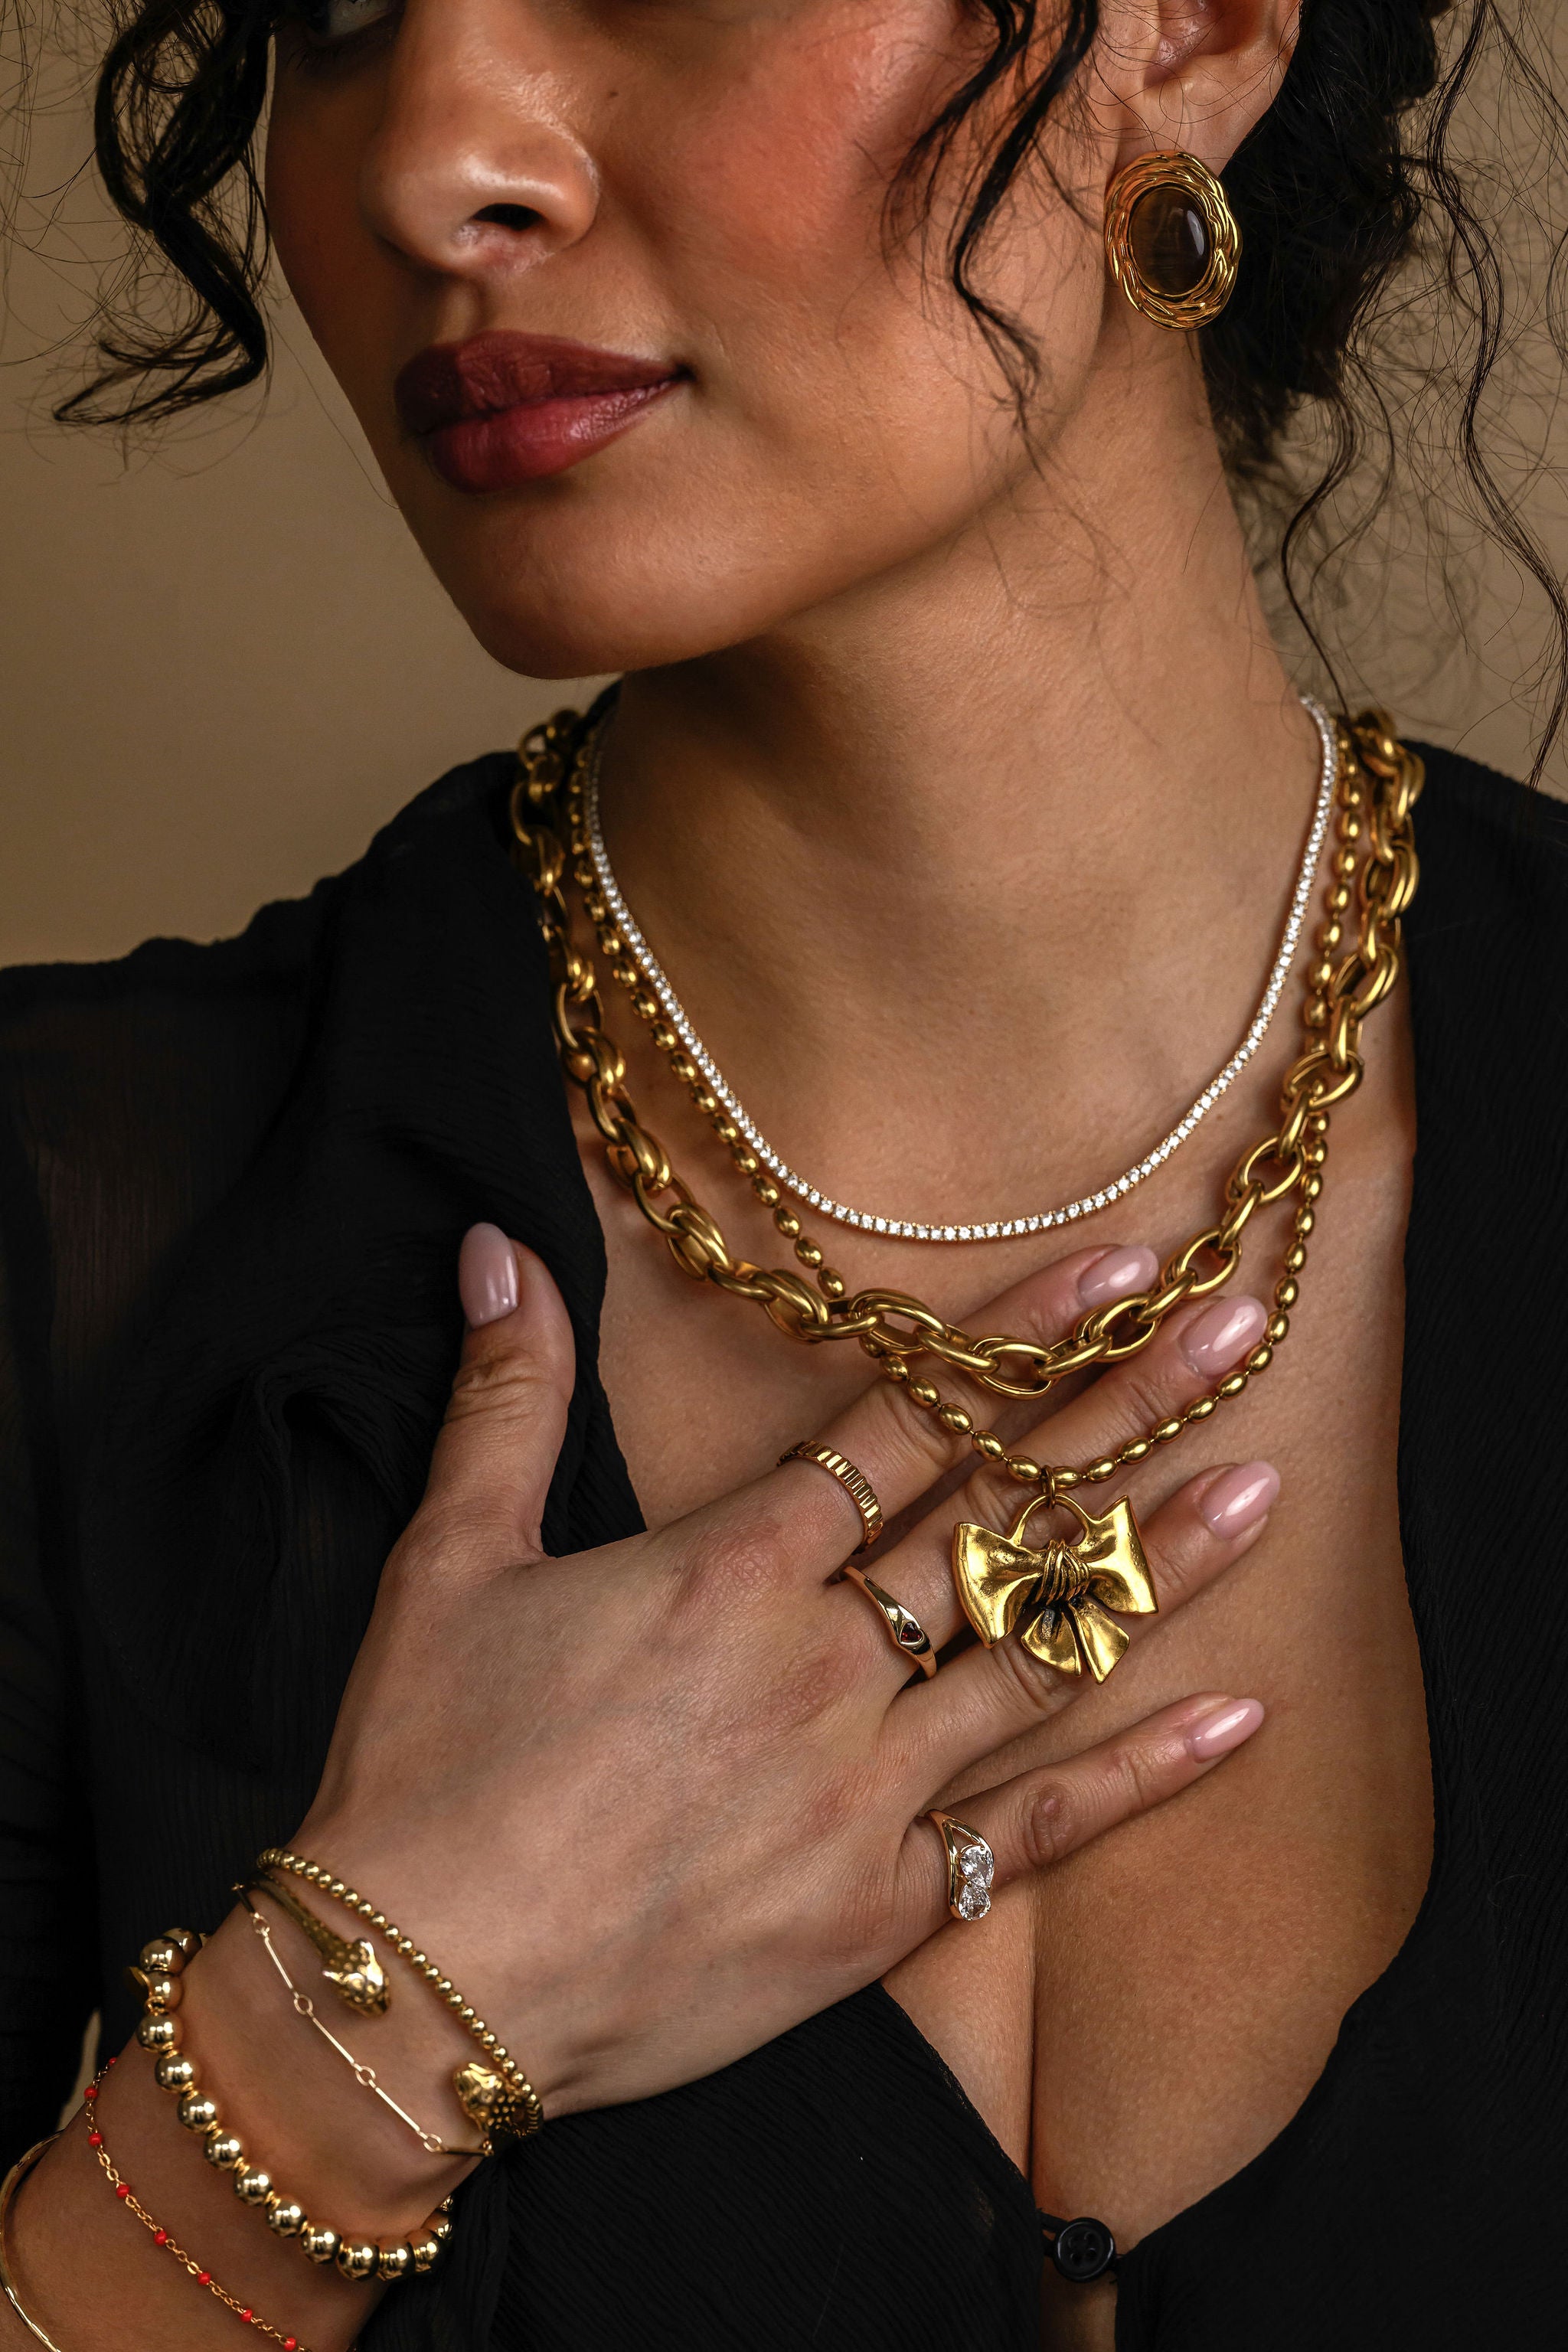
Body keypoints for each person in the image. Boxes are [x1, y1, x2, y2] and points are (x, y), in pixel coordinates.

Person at [0, 0, 1563, 2345]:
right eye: (330, 16)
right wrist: (337, 2060)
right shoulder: (69, 1242)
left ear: (1201, 30)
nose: (428, 160)